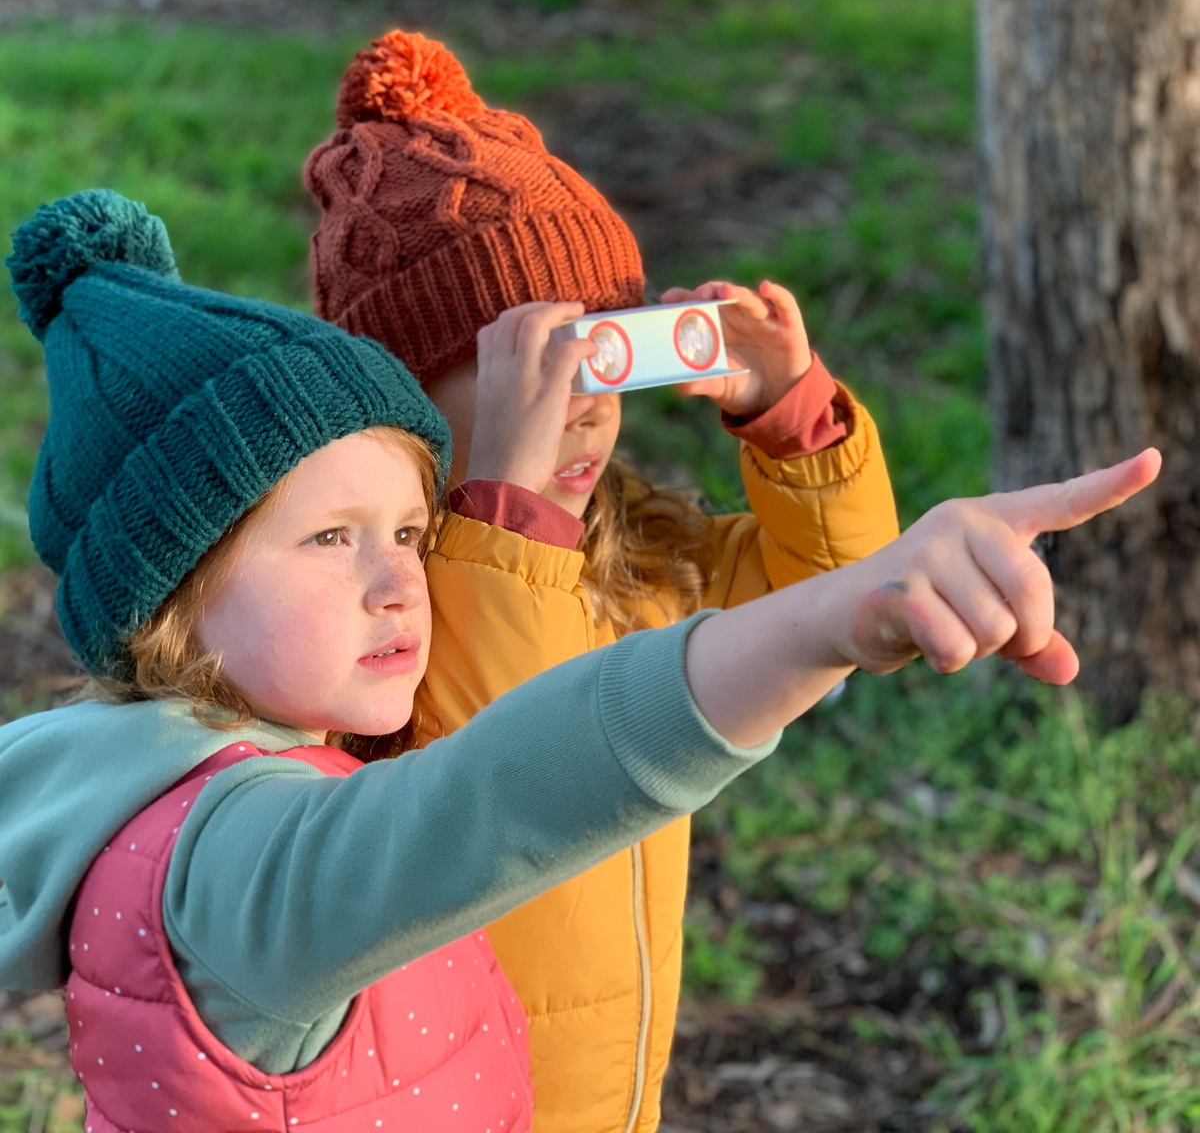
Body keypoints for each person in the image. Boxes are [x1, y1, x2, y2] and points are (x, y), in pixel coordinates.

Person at [0, 191, 1158, 1133]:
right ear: (173, 603)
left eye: (407, 532)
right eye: (329, 540)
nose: (400, 580)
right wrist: (828, 622)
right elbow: (514, 781)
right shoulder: (236, 874)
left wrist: (806, 452)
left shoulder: (214, 768)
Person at [303, 29, 901, 1132]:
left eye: (602, 353)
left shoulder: (637, 560)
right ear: (402, 396)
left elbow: (843, 605)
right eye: (533, 366)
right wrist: (507, 516)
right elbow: (506, 759)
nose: (580, 406)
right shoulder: (367, 600)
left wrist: (795, 421)